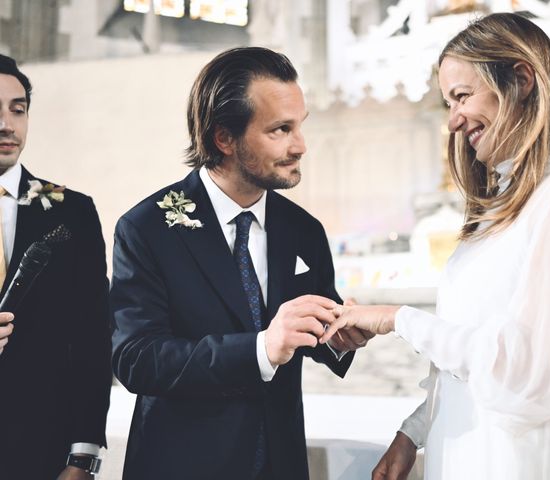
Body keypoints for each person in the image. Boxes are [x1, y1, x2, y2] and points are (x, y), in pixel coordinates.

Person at [321, 12, 550, 480]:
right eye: (447, 102)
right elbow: (470, 356)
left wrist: (396, 318)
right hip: (467, 458)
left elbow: (528, 376)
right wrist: (413, 432)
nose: (453, 120)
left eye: (462, 96)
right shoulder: (496, 208)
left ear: (521, 80)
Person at [110, 47, 371, 480]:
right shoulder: (148, 227)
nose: (301, 146)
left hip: (280, 463)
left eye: (300, 126)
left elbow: (303, 331)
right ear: (223, 138)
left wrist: (337, 337)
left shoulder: (304, 229)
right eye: (280, 130)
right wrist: (261, 348)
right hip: (184, 466)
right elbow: (137, 358)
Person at [0, 55, 112, 479]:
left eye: (17, 109)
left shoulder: (73, 213)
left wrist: (83, 456)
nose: (7, 124)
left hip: (41, 451)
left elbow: (92, 339)